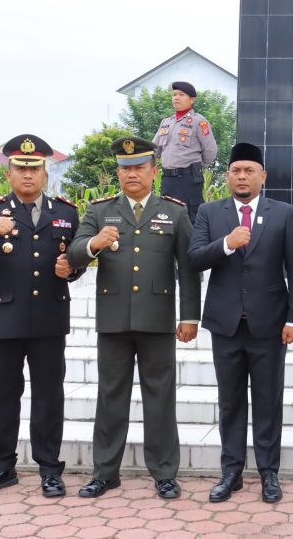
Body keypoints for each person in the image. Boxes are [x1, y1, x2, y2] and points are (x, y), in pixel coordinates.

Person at [67, 136, 201, 500]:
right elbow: (74, 254)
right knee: (111, 397)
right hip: (113, 320)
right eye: (125, 168)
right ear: (118, 172)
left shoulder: (173, 211)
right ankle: (104, 472)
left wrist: (190, 316)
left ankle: (164, 473)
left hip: (158, 320)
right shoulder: (99, 211)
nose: (132, 174)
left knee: (161, 398)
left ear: (153, 171)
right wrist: (94, 244)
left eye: (139, 167)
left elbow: (188, 268)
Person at [0, 134, 84, 497]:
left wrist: (70, 272)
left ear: (45, 173)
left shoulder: (66, 212)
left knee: (48, 395)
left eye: (35, 168)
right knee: (3, 395)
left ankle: (49, 469)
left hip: (48, 317)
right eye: (20, 168)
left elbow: (78, 261)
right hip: (5, 317)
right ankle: (0, 469)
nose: (28, 175)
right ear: (9, 173)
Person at [188, 141, 293, 504]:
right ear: (228, 176)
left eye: (249, 171)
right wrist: (226, 243)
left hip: (269, 327)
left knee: (269, 400)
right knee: (231, 401)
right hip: (225, 326)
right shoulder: (210, 212)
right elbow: (194, 259)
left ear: (262, 176)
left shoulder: (282, 213)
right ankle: (232, 472)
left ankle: (269, 473)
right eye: (236, 170)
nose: (242, 176)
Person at [154, 80, 217, 222]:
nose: (176, 97)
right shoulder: (166, 122)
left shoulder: (199, 122)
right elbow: (155, 150)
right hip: (167, 179)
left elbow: (210, 151)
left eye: (181, 94)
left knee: (189, 220)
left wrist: (197, 167)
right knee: (167, 219)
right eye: (174, 94)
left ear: (192, 99)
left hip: (188, 179)